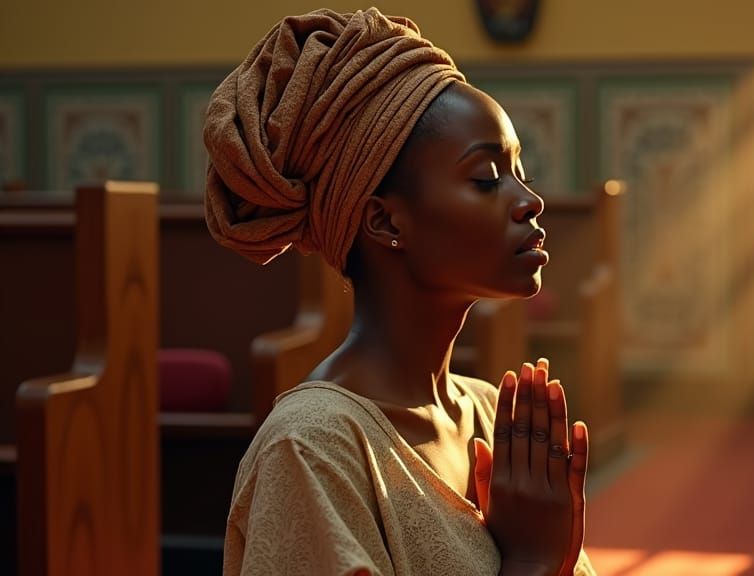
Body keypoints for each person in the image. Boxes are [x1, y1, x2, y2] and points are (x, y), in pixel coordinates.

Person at [203, 8, 595, 575]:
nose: (529, 200)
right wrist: (533, 560)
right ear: (386, 223)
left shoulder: (491, 413)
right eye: (486, 178)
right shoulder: (312, 449)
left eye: (520, 171)